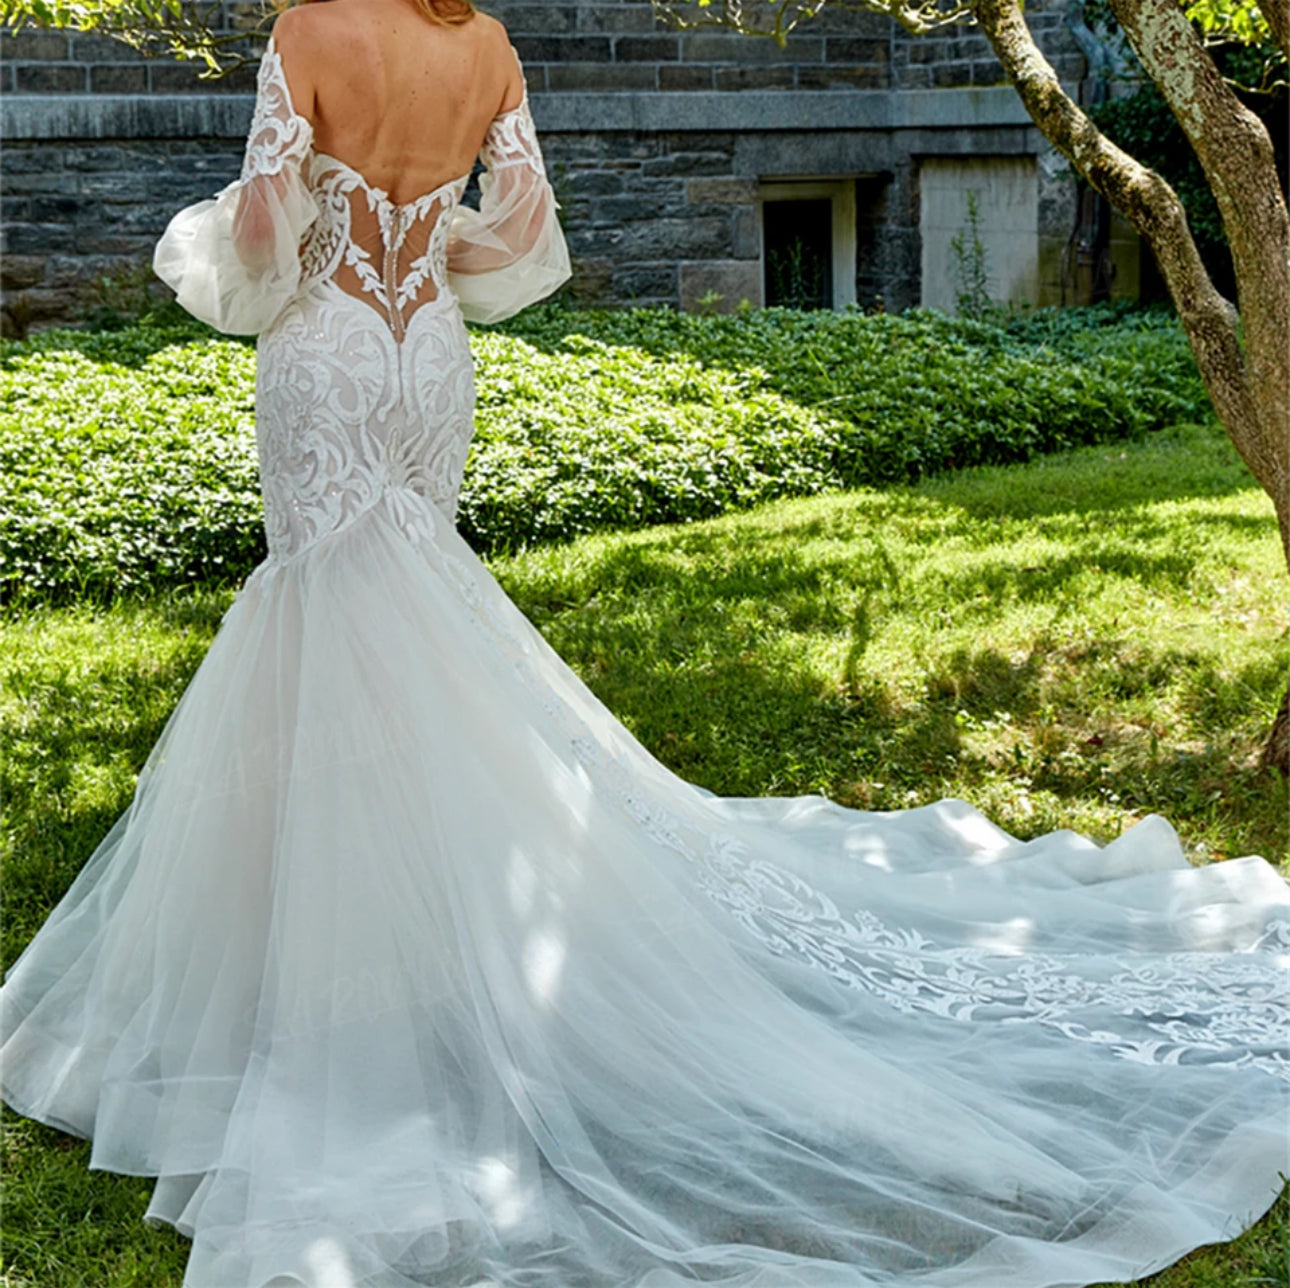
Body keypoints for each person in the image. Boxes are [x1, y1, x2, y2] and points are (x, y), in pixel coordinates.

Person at [2, 1, 1287, 1284]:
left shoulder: (310, 27)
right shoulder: (488, 45)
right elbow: (517, 227)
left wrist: (229, 242)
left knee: (331, 619)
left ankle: (328, 979)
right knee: (402, 618)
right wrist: (419, 248)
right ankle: (401, 944)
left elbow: (273, 231)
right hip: (427, 357)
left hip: (330, 355)